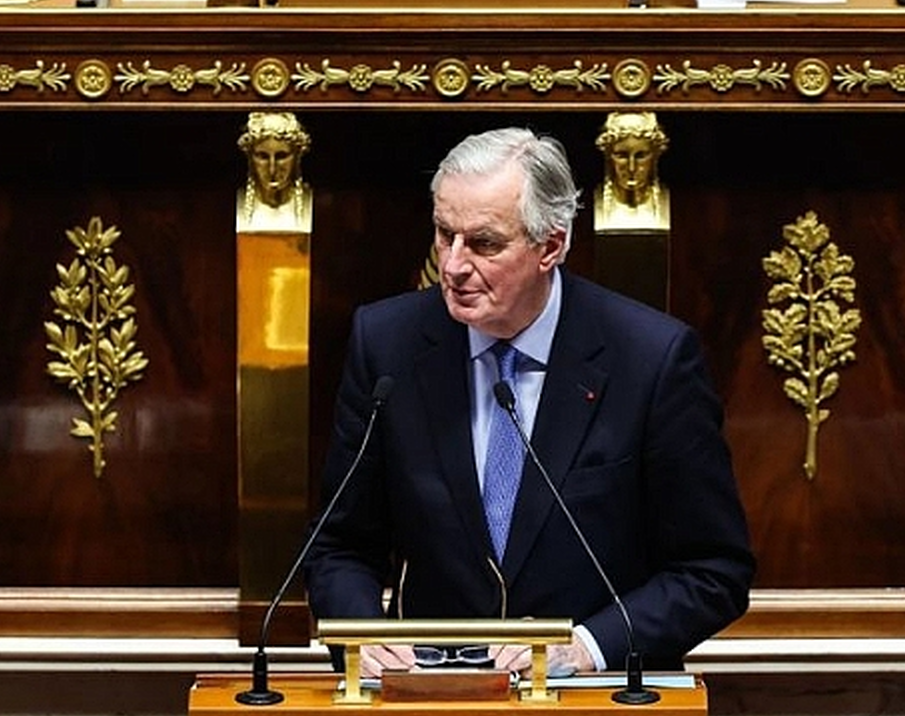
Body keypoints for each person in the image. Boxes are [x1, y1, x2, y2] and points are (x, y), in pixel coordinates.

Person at [304, 127, 754, 678]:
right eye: (445, 235)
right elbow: (339, 546)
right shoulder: (387, 344)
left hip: (595, 697)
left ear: (551, 246)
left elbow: (713, 570)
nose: (453, 266)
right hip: (434, 693)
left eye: (485, 244)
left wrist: (589, 646)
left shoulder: (650, 359)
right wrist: (361, 637)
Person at [236, 111, 313, 232]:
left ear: (297, 156)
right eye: (263, 156)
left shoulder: (315, 205)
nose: (272, 169)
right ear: (250, 157)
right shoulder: (229, 205)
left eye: (281, 156)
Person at [593, 112, 670, 231]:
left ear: (655, 155)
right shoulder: (594, 201)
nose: (631, 168)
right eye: (621, 156)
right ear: (608, 156)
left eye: (641, 156)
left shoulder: (671, 202)